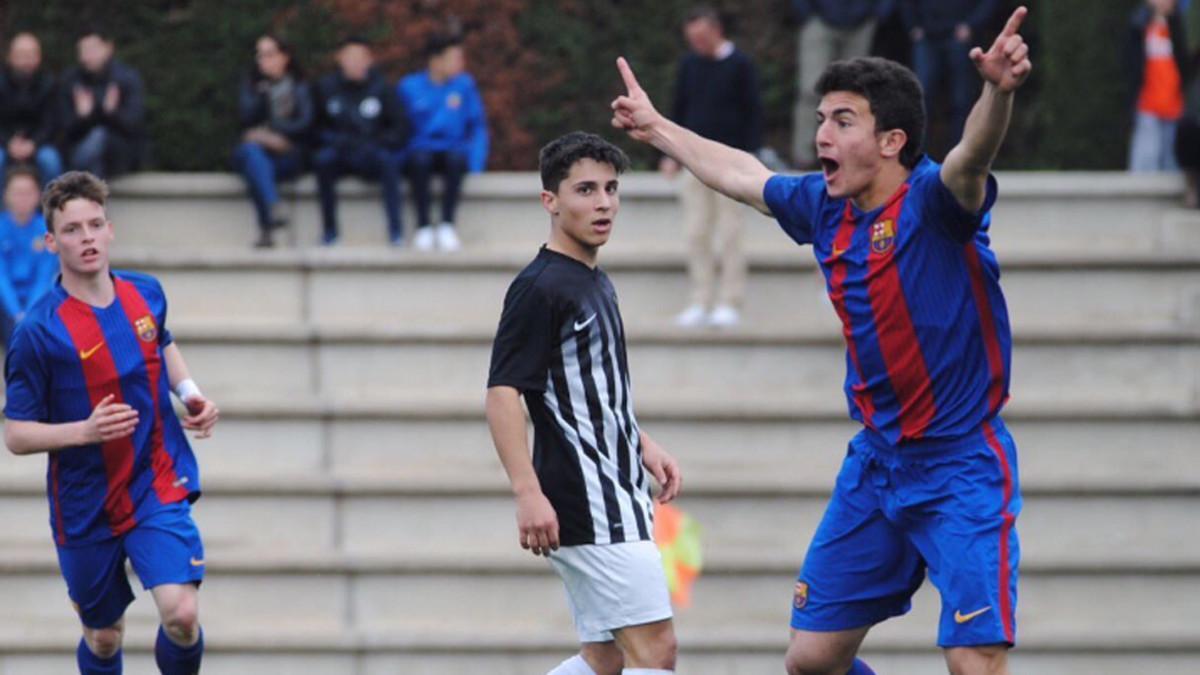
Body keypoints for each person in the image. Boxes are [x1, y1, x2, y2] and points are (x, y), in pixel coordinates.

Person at [612, 4, 1031, 673]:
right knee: (810, 660)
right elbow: (740, 173)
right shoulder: (825, 206)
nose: (822, 135)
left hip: (960, 465)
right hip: (877, 463)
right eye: (819, 119)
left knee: (972, 661)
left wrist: (995, 92)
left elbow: (970, 158)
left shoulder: (933, 202)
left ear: (891, 141)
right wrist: (659, 128)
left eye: (842, 120)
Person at [4, 171, 220, 675]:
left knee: (182, 615)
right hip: (85, 499)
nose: (87, 238)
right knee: (103, 638)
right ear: (50, 241)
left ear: (110, 230)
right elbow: (15, 434)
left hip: (154, 480)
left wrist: (190, 394)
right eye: (73, 230)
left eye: (94, 225)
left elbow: (160, 343)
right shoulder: (38, 332)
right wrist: (85, 432)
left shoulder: (146, 293)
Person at [486, 131, 683, 675]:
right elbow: (503, 393)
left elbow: (589, 386)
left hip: (617, 489)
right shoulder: (540, 287)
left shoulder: (593, 279)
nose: (603, 203)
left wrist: (641, 443)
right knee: (656, 650)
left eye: (612, 189)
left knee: (605, 658)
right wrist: (527, 492)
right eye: (585, 190)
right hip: (589, 501)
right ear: (550, 201)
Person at [663, 6, 762, 329]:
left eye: (702, 38)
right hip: (694, 162)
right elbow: (679, 109)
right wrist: (671, 152)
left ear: (717, 31)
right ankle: (700, 299)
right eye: (692, 39)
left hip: (731, 164)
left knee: (730, 234)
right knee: (696, 233)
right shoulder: (689, 65)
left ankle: (730, 300)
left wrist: (747, 159)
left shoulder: (741, 66)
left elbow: (753, 113)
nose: (697, 45)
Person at [313, 37, 408, 246]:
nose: (355, 63)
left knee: (388, 162)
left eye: (360, 58)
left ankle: (396, 232)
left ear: (369, 60)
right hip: (340, 152)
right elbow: (315, 128)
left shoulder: (382, 88)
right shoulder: (326, 88)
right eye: (350, 57)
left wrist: (378, 142)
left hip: (371, 152)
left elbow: (400, 128)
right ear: (340, 59)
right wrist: (335, 140)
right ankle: (330, 232)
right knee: (323, 161)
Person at [398, 32, 488, 253]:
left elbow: (477, 125)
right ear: (436, 60)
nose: (460, 64)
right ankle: (423, 226)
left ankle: (447, 224)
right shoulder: (409, 87)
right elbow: (399, 129)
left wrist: (476, 162)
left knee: (456, 161)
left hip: (452, 150)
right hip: (419, 150)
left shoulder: (465, 85)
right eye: (454, 58)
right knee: (419, 162)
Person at [233, 33, 314, 249]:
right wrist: (262, 94)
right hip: (256, 152)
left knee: (256, 166)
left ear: (284, 57)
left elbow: (306, 123)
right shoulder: (252, 85)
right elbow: (244, 119)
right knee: (253, 156)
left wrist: (274, 135)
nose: (262, 60)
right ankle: (272, 205)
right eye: (259, 55)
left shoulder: (300, 86)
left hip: (288, 155)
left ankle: (266, 225)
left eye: (269, 54)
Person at [791, 1, 895, 169]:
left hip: (861, 24)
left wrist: (877, 14)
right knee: (811, 90)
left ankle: (846, 156)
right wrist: (806, 13)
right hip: (818, 20)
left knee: (853, 94)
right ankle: (803, 158)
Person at [900, 0, 1000, 156]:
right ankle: (916, 155)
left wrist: (972, 24)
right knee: (921, 97)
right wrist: (912, 25)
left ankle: (962, 155)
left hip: (960, 35)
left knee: (962, 99)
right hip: (927, 35)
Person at [59, 28, 146, 179]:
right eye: (82, 51)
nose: (86, 56)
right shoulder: (71, 80)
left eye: (92, 49)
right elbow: (63, 129)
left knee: (99, 138)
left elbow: (133, 125)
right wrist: (82, 117)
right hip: (78, 151)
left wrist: (111, 113)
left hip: (118, 153)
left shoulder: (127, 78)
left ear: (108, 48)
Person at [1127, 0, 1190, 172]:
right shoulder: (1139, 25)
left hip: (1175, 104)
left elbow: (1186, 64)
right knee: (1146, 159)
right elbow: (1132, 67)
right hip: (1148, 103)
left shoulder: (1180, 28)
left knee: (1172, 163)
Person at [0, 167, 57, 346]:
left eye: (27, 193)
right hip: (6, 301)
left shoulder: (46, 230)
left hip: (37, 300)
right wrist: (17, 313)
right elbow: (1, 278)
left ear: (38, 196)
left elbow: (45, 276)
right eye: (17, 193)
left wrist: (28, 314)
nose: (22, 199)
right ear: (6, 195)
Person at [0, 31, 63, 183]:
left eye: (31, 55)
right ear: (10, 57)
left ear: (39, 57)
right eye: (21, 54)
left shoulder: (50, 84)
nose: (26, 60)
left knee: (51, 161)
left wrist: (33, 143)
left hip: (40, 144)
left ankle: (50, 205)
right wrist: (8, 142)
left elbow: (52, 123)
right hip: (4, 143)